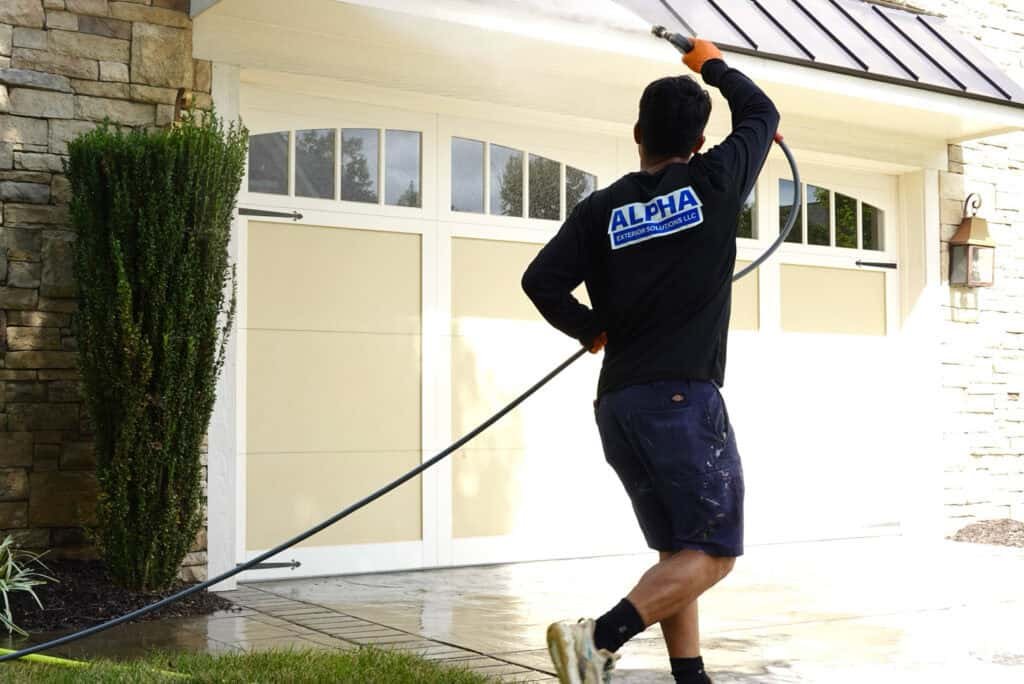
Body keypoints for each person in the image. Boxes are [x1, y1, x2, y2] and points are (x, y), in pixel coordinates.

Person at [521, 38, 780, 684]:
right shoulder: (715, 178)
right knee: (715, 552)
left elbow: (540, 282)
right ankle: (597, 638)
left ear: (637, 133)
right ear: (696, 143)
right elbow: (763, 114)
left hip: (620, 408)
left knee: (678, 551)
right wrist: (709, 63)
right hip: (682, 403)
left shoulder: (600, 209)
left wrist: (590, 330)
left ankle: (691, 677)